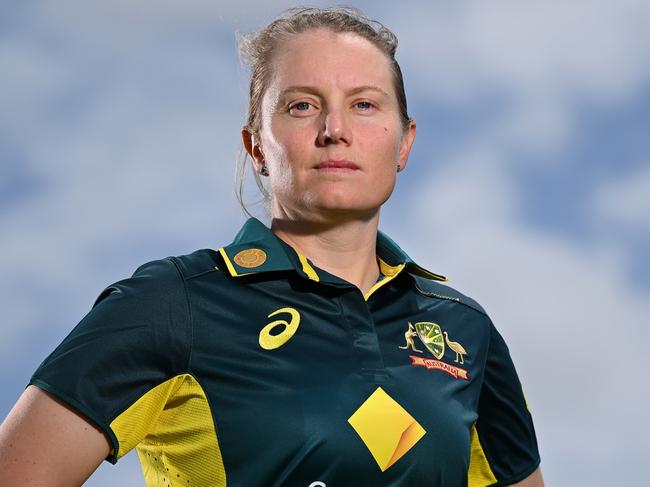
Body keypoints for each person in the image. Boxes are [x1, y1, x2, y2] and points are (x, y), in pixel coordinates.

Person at [0, 7, 544, 487]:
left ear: (404, 141)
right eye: (303, 106)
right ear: (256, 145)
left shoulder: (464, 328)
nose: (335, 129)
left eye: (365, 105)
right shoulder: (171, 303)